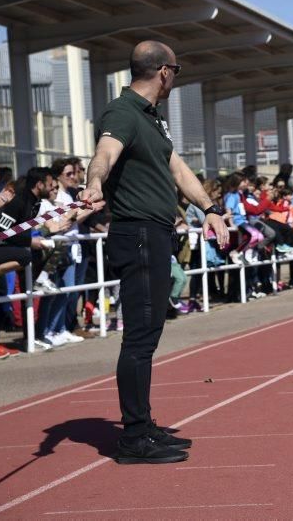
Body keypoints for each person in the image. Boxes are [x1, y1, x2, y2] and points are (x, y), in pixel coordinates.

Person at [79, 40, 229, 464]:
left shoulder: (152, 119)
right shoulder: (121, 113)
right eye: (176, 72)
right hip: (138, 233)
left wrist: (211, 209)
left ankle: (143, 425)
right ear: (164, 72)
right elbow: (104, 154)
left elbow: (176, 167)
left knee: (149, 335)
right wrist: (94, 184)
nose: (174, 80)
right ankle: (133, 438)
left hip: (155, 233)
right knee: (140, 340)